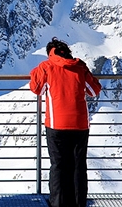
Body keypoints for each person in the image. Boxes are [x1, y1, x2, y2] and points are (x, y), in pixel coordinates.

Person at [29, 37, 102, 207]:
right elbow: (94, 90)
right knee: (78, 165)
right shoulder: (79, 66)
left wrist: (34, 72)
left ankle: (58, 203)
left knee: (58, 165)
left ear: (50, 53)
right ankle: (78, 202)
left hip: (56, 124)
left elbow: (36, 88)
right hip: (80, 124)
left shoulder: (46, 67)